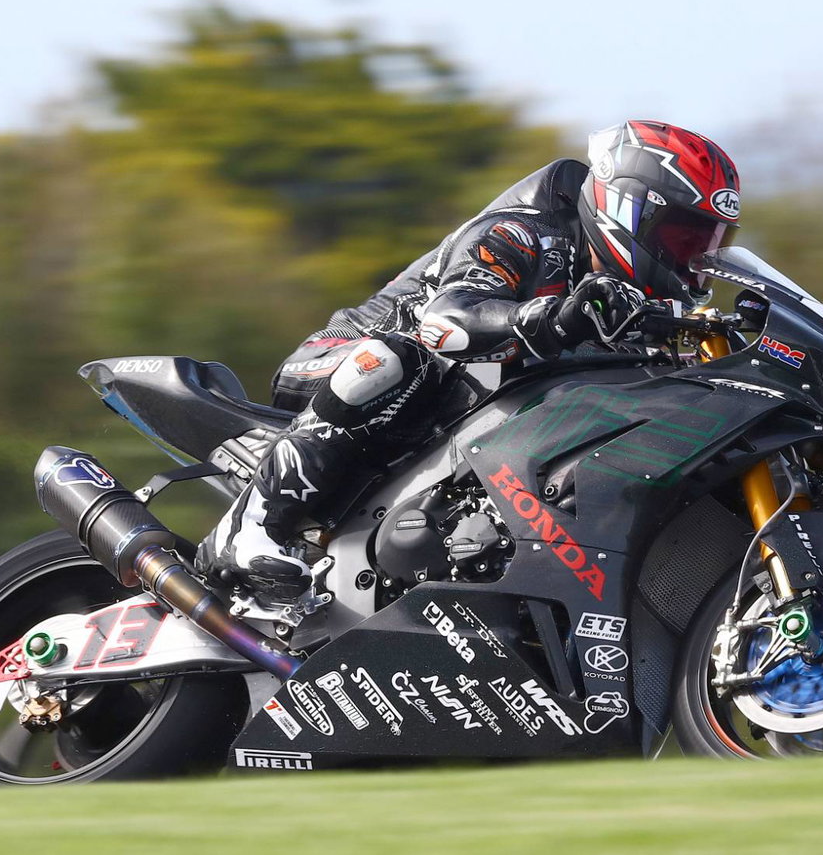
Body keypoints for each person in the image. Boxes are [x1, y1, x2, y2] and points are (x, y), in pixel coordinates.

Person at [197, 120, 742, 614]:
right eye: (684, 238)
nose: (695, 263)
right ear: (627, 208)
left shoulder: (646, 307)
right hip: (339, 365)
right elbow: (447, 321)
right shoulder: (525, 230)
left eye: (709, 245)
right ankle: (246, 531)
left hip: (448, 414)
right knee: (398, 358)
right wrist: (552, 317)